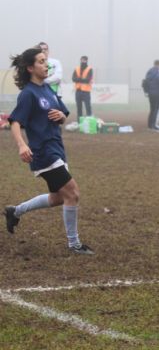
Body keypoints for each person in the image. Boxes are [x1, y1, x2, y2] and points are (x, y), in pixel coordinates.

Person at [3, 47, 94, 255]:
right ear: (30, 67)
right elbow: (15, 122)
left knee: (59, 198)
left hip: (58, 150)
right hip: (44, 153)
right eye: (42, 61)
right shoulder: (28, 94)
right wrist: (22, 145)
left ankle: (15, 211)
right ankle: (74, 244)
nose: (47, 65)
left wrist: (61, 117)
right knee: (73, 193)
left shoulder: (48, 89)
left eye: (46, 61)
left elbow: (63, 115)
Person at [143, 60, 159, 132]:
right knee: (155, 110)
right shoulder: (158, 73)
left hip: (151, 93)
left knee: (152, 109)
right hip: (158, 94)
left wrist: (147, 91)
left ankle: (150, 126)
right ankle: (153, 126)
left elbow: (145, 82)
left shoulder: (149, 72)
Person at [72, 55, 94, 121]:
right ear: (80, 60)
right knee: (79, 108)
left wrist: (78, 79)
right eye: (82, 60)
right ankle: (79, 122)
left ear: (87, 61)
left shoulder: (89, 69)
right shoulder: (77, 69)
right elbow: (73, 79)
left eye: (84, 60)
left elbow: (88, 79)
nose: (83, 61)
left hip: (86, 91)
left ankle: (89, 121)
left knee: (88, 107)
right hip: (78, 91)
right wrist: (82, 79)